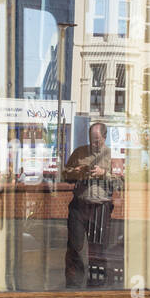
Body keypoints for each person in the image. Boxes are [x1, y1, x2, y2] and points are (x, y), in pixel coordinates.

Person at [62, 121, 118, 288]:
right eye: (92, 140)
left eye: (98, 141)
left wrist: (104, 174)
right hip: (80, 205)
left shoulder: (112, 155)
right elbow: (65, 175)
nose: (94, 144)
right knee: (74, 247)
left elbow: (122, 182)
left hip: (100, 207)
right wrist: (77, 171)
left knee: (98, 249)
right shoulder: (79, 153)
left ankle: (97, 284)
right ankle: (73, 285)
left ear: (105, 137)